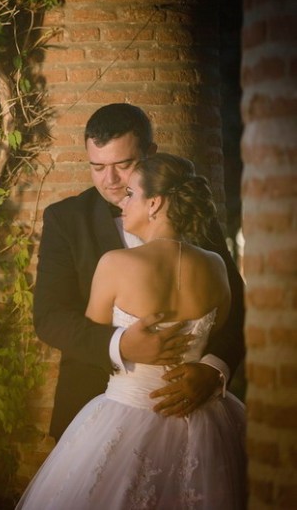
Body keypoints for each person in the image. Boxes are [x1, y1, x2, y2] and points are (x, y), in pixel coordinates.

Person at [16, 153, 247, 509]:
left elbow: (93, 327)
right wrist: (125, 343)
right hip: (205, 425)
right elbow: (220, 321)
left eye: (131, 194)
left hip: (126, 413)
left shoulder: (114, 264)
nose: (122, 201)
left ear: (154, 202)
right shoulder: (214, 265)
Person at [33, 103, 245, 440]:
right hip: (92, 409)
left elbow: (237, 307)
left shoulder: (191, 214)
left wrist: (214, 368)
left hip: (196, 414)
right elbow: (50, 317)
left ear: (150, 153)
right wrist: (120, 344)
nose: (110, 180)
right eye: (98, 167)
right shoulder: (66, 219)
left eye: (123, 164)